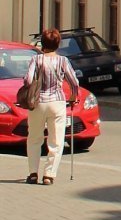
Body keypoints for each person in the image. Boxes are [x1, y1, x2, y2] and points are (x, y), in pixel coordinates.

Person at [23, 29, 79, 186]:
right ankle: (49, 174)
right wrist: (73, 98)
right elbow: (74, 82)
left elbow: (28, 80)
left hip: (38, 102)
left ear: (43, 43)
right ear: (57, 44)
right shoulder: (63, 61)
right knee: (56, 140)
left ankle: (33, 173)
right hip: (57, 102)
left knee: (34, 138)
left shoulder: (36, 59)